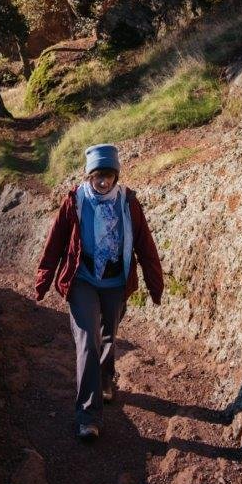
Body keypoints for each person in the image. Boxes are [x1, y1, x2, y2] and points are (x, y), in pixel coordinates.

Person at [34, 142, 164, 441]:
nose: (103, 182)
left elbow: (145, 245)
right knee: (87, 341)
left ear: (116, 176)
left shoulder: (128, 202)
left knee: (108, 335)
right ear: (88, 176)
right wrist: (43, 279)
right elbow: (55, 243)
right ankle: (88, 415)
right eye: (97, 176)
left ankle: (106, 381)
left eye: (108, 175)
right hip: (82, 279)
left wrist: (155, 285)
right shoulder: (75, 202)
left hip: (116, 280)